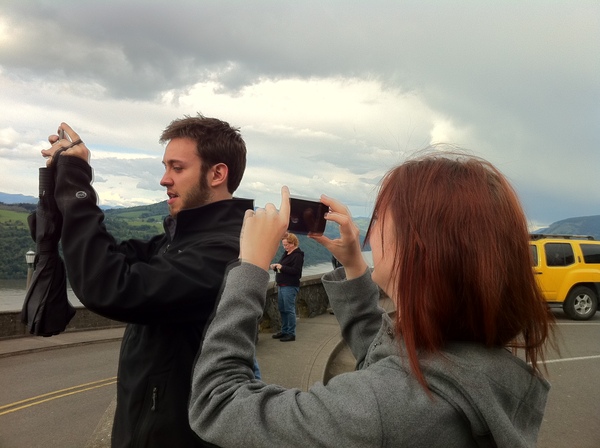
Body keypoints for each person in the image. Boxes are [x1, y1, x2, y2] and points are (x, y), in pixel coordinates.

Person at [188, 152, 555, 447]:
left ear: (419, 248)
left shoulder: (383, 410)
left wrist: (251, 268)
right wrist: (353, 264)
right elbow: (385, 362)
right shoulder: (476, 370)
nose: (370, 231)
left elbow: (217, 404)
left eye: (380, 218)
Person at [41, 115, 252, 447]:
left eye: (177, 168)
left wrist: (77, 184)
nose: (164, 179)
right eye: (165, 167)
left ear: (217, 173)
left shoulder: (224, 254)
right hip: (144, 428)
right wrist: (58, 187)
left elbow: (109, 285)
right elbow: (105, 257)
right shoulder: (176, 242)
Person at [269, 232, 304, 342]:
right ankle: (284, 331)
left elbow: (296, 272)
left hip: (290, 286)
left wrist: (282, 267)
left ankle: (291, 333)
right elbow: (282, 269)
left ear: (293, 243)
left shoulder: (297, 255)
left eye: (287, 245)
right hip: (282, 285)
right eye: (284, 245)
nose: (285, 247)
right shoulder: (286, 254)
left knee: (289, 310)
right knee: (283, 309)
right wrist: (276, 267)